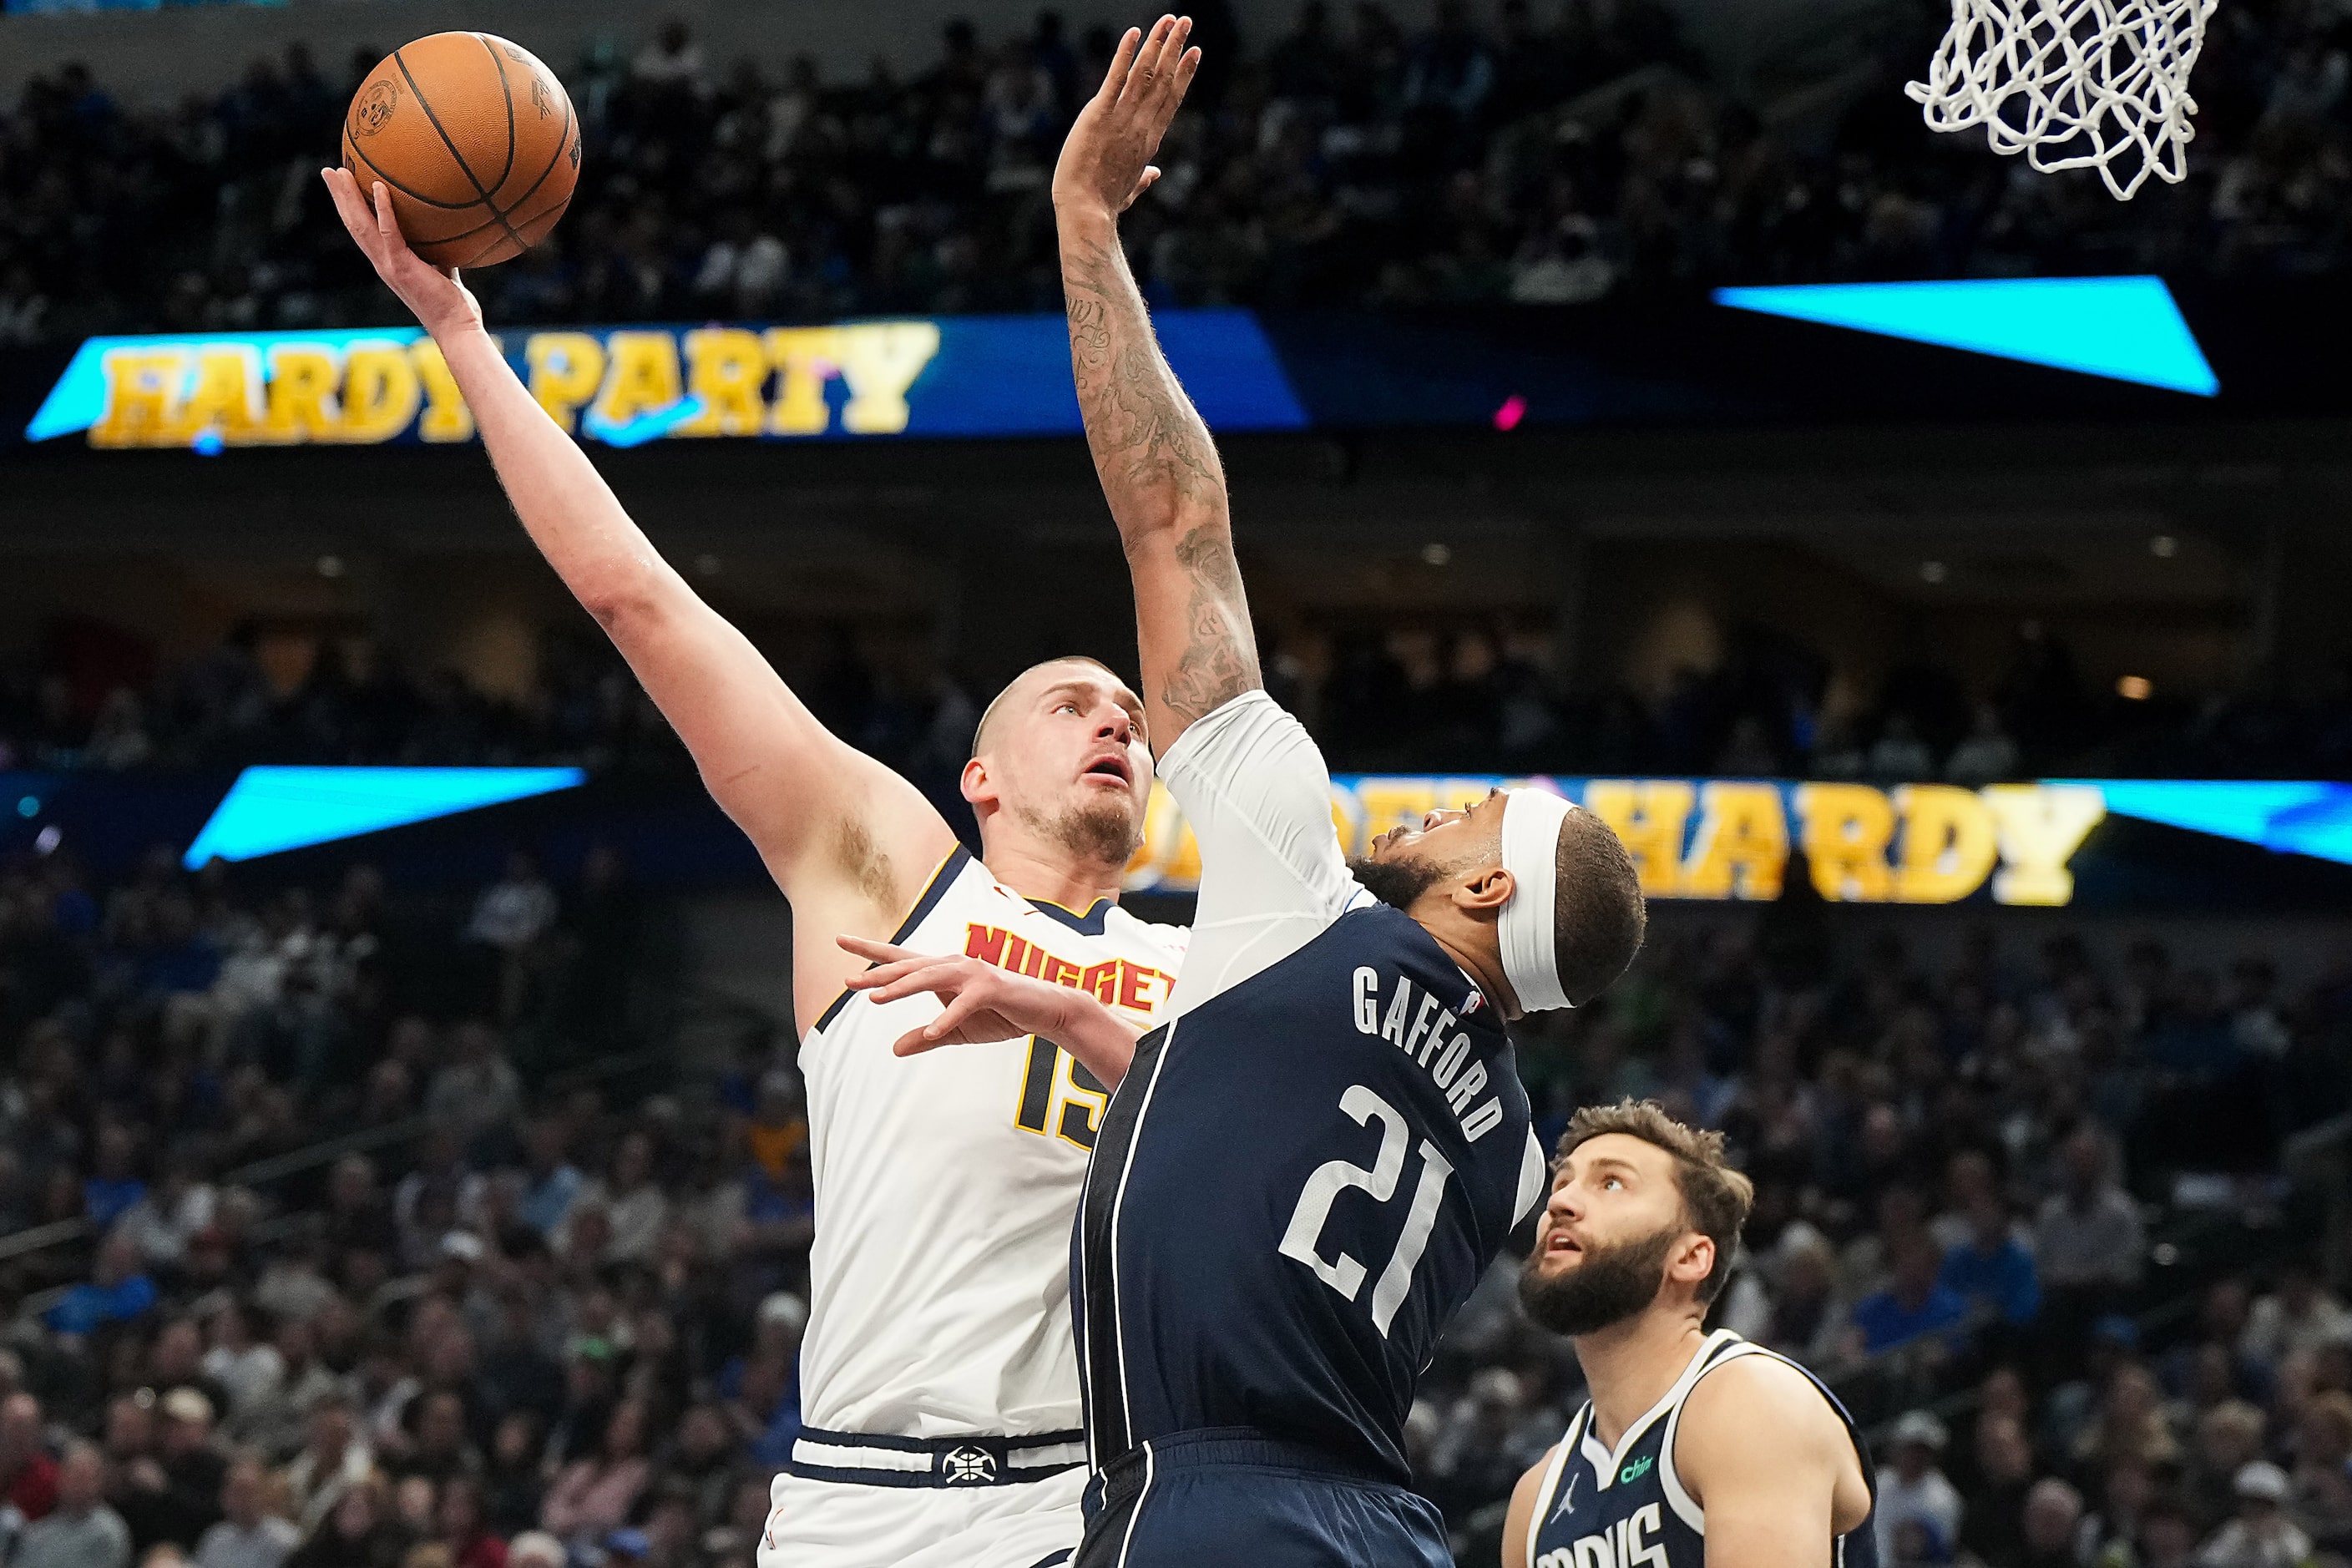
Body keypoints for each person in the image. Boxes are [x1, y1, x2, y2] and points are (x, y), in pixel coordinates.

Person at [322, 134, 1190, 1568]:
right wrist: (461, 334)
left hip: (1092, 1498)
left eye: (1129, 713)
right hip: (861, 1497)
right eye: (1068, 701)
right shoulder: (891, 862)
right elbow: (636, 601)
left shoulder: (1200, 963)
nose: (1113, 718)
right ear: (977, 773)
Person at [862, 22, 1643, 1564]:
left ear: (1486, 893)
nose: (1436, 813)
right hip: (1371, 1517)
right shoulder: (1500, 1150)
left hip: (1208, 1502)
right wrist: (1058, 1006)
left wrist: (1086, 227)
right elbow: (1238, 1105)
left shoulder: (1306, 901)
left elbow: (1179, 522)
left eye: (1471, 818)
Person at [1500, 1103, 1877, 1568]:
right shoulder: (1536, 1499)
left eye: (1611, 1183)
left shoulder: (1751, 1405)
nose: (1560, 1203)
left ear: (1690, 1257)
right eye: (1562, 1184)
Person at [16, 1442, 131, 1568]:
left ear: (100, 1483)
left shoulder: (107, 1533)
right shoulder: (40, 1533)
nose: (80, 1485)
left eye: (87, 1478)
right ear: (60, 1479)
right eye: (75, 1476)